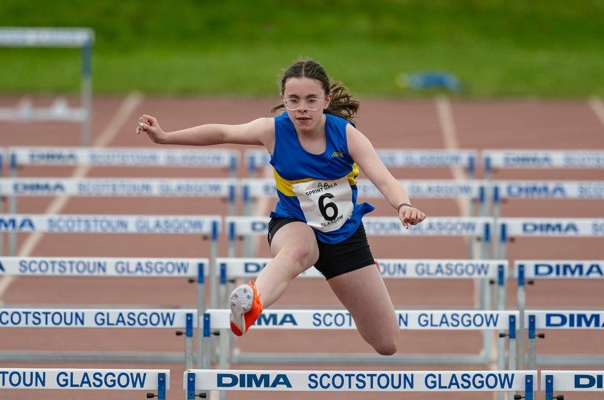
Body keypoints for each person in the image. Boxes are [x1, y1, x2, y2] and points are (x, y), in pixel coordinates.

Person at [137, 59, 426, 355]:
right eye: (294, 100)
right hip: (293, 225)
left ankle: (364, 272)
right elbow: (222, 133)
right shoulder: (272, 131)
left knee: (386, 342)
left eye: (311, 100)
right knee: (300, 250)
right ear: (283, 100)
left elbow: (385, 179)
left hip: (343, 237)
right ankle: (251, 299)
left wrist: (403, 205)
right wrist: (165, 136)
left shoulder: (346, 135)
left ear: (326, 100)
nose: (302, 108)